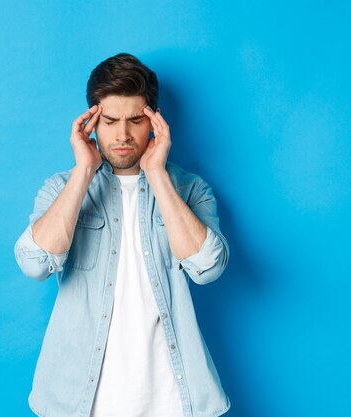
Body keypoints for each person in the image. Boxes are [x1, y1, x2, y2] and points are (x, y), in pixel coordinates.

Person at [14, 53, 231, 417]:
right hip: (80, 400)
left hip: (173, 400)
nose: (123, 134)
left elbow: (207, 269)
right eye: (110, 121)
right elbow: (34, 264)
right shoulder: (60, 188)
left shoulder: (191, 190)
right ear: (92, 122)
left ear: (155, 121)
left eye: (135, 120)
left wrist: (158, 174)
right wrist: (84, 170)